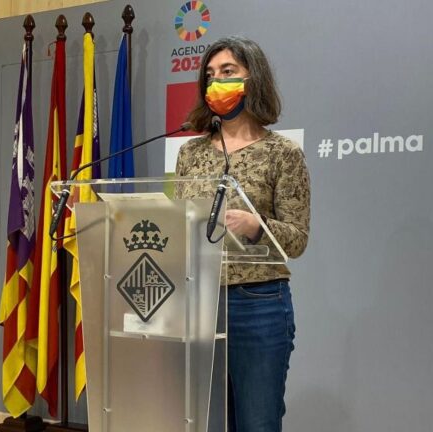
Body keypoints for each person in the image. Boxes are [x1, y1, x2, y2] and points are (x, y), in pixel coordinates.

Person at [175, 36, 311, 432]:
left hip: (259, 303)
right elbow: (181, 225)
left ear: (253, 79)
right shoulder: (190, 153)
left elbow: (297, 239)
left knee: (257, 423)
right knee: (206, 423)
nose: (216, 81)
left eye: (228, 72)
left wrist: (257, 226)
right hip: (199, 304)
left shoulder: (282, 153)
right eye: (210, 74)